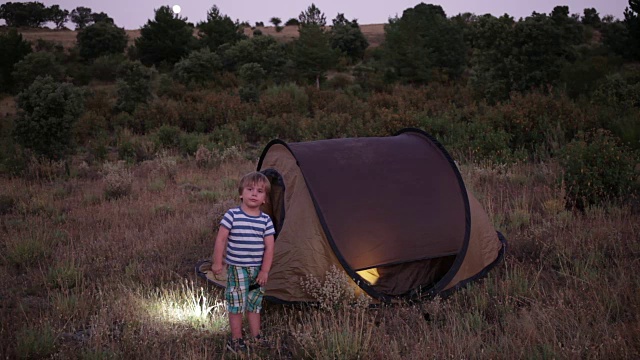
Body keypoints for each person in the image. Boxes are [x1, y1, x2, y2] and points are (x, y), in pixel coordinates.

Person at [211, 171, 275, 353]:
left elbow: (270, 248)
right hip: (237, 269)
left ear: (265, 198)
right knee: (236, 303)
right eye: (250, 189)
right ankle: (236, 339)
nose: (254, 194)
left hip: (257, 271)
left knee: (254, 303)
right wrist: (217, 262)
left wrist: (264, 271)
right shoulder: (232, 215)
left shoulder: (265, 221)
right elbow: (221, 240)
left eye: (260, 191)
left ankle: (256, 337)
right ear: (241, 193)